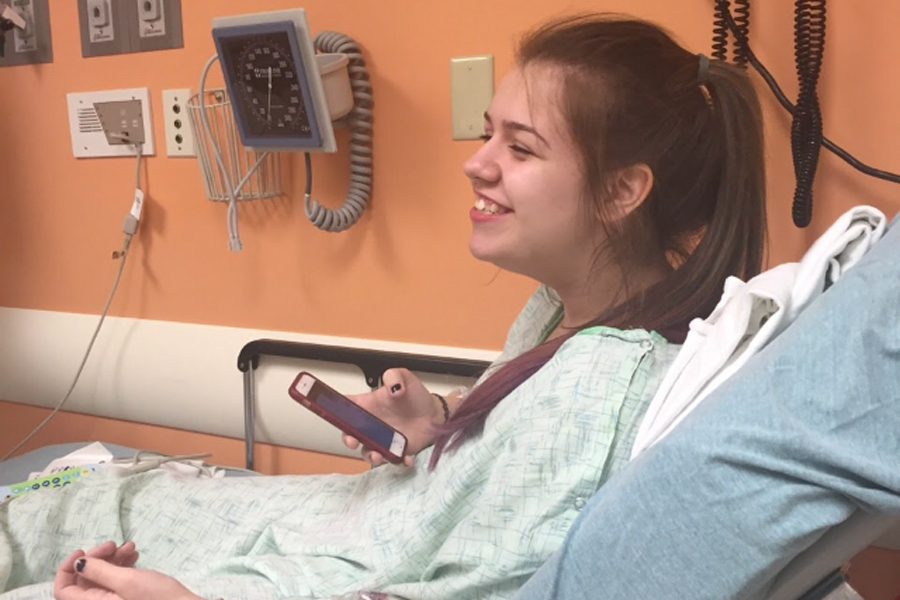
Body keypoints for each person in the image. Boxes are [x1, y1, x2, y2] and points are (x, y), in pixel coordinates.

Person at [0, 13, 766, 600]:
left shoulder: (605, 382)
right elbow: (514, 472)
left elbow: (488, 575)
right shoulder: (561, 314)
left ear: (623, 192)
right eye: (487, 132)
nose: (477, 161)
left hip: (336, 561)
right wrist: (441, 425)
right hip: (353, 517)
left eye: (521, 148)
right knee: (100, 497)